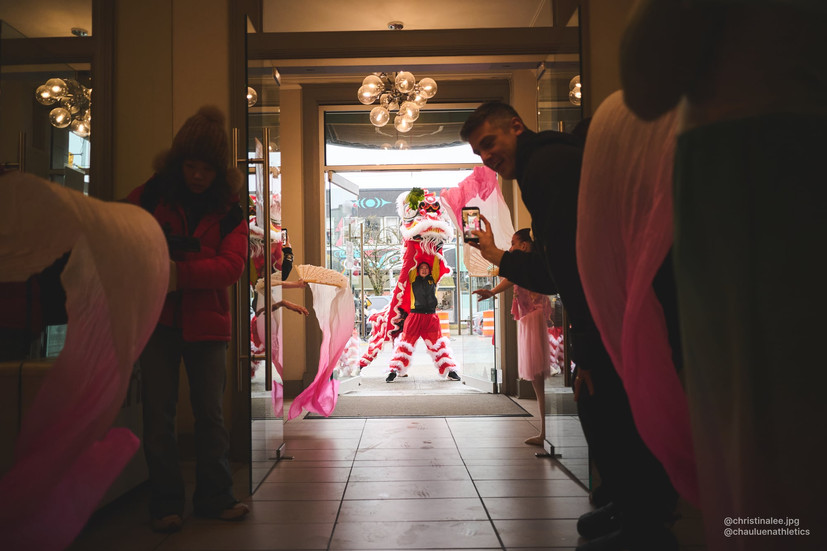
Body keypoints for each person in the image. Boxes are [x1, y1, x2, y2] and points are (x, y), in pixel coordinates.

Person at [620, 3, 827, 549]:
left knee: (749, 402)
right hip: (779, 145)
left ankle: (769, 534)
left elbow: (648, 78)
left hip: (749, 159)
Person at [461, 101, 678, 551]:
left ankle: (641, 522)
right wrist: (499, 254)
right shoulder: (548, 161)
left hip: (618, 304)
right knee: (609, 411)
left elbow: (570, 264)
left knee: (608, 410)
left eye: (490, 143)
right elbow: (561, 262)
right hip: (624, 298)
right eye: (479, 152)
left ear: (516, 127)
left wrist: (591, 350)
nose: (487, 158)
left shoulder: (545, 168)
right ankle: (626, 506)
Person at [127, 105, 249, 532]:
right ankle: (165, 503)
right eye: (190, 166)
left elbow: (231, 267)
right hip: (156, 321)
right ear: (178, 163)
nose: (197, 176)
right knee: (158, 414)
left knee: (210, 414)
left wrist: (177, 272)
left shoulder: (232, 210)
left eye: (207, 169)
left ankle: (215, 496)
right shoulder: (149, 196)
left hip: (209, 324)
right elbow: (123, 235)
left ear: (220, 172)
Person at [472, 229, 556, 446]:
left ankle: (546, 431)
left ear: (525, 246)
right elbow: (511, 278)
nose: (510, 248)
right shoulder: (529, 267)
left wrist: (492, 291)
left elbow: (513, 276)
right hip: (530, 319)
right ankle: (545, 430)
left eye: (513, 243)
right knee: (538, 380)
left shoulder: (532, 267)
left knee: (539, 378)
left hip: (534, 319)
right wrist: (492, 292)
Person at [386, 260, 460, 382]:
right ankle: (393, 370)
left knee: (438, 345)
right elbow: (412, 262)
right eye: (421, 268)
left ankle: (450, 371)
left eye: (426, 267)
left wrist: (436, 250)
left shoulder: (434, 279)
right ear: (418, 270)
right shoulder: (413, 278)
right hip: (415, 316)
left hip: (431, 317)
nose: (424, 269)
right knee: (405, 344)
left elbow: (436, 263)